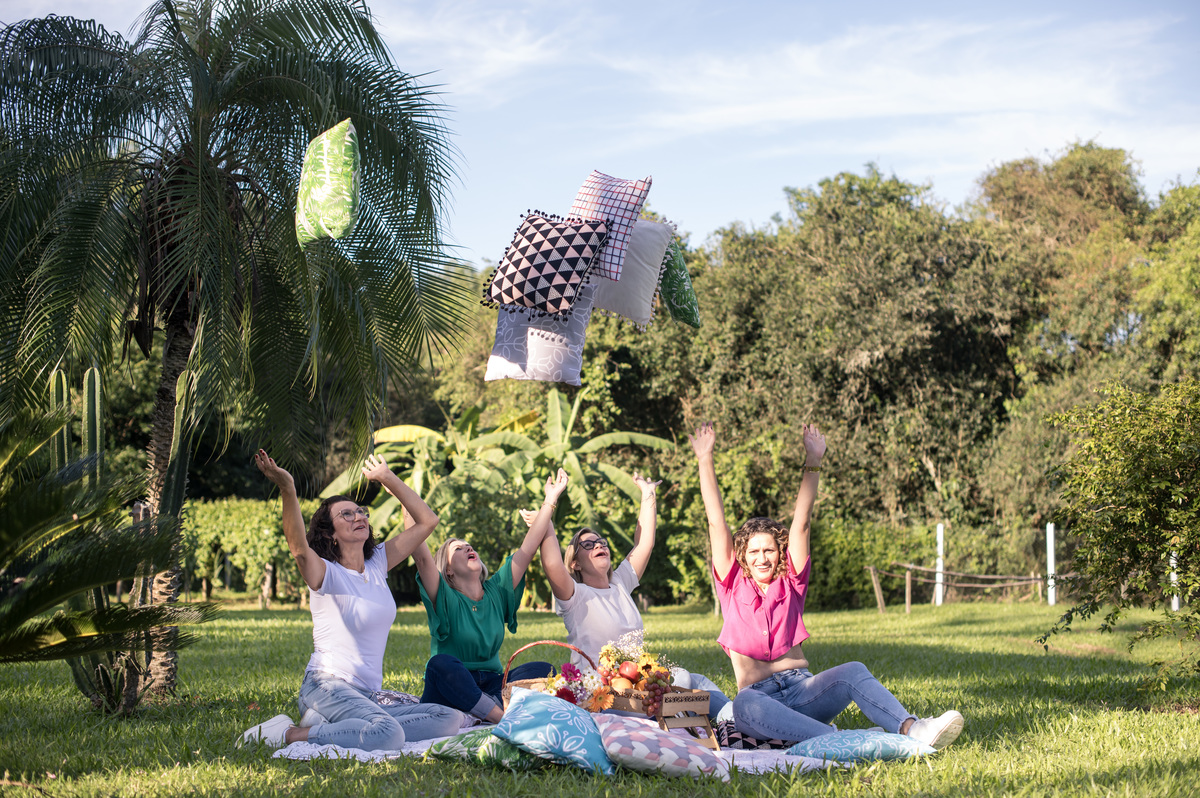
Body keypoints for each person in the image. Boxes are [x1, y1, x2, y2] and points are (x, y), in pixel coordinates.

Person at [689, 421, 964, 748]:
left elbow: (801, 523)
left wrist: (813, 460)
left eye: (769, 550)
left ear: (779, 553)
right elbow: (716, 522)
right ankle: (843, 740)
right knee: (744, 704)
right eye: (753, 552)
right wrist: (705, 459)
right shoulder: (732, 584)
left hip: (803, 691)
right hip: (760, 701)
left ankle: (912, 728)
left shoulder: (791, 580)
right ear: (742, 557)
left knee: (853, 670)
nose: (762, 557)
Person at [240, 451, 463, 750]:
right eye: (346, 514)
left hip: (368, 694)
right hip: (326, 685)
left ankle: (338, 725)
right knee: (389, 734)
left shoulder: (377, 563)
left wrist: (388, 478)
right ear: (330, 534)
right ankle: (291, 733)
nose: (358, 516)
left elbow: (427, 521)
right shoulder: (326, 573)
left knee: (448, 717)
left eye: (361, 511)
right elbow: (298, 547)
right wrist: (287, 488)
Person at [532, 468, 732, 718]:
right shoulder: (575, 596)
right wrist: (548, 509)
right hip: (606, 695)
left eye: (601, 542)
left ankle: (734, 721)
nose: (598, 545)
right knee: (682, 678)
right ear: (576, 563)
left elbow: (645, 543)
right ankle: (692, 718)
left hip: (637, 684)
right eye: (588, 544)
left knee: (697, 680)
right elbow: (551, 564)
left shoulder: (619, 584)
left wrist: (648, 494)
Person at [413, 473, 562, 723]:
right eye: (457, 549)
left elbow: (528, 547)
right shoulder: (445, 596)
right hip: (450, 688)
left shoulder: (496, 590)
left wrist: (550, 498)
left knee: (543, 670)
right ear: (447, 569)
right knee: (440, 663)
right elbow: (420, 554)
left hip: (491, 686)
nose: (468, 548)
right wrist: (404, 500)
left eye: (469, 545)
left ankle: (478, 712)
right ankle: (501, 717)